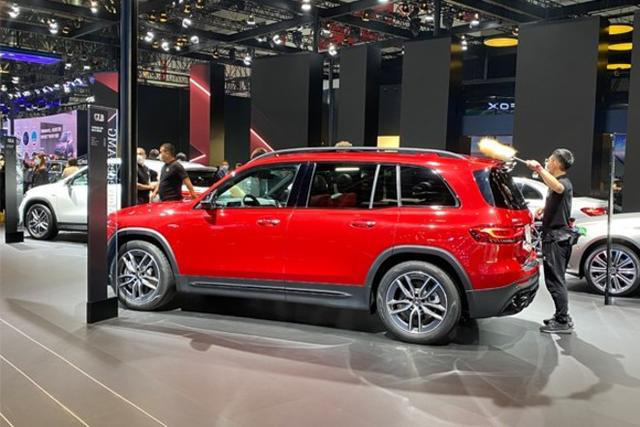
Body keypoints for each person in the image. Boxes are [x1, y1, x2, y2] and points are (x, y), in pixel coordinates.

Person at [526, 148, 575, 334]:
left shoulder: (563, 183)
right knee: (556, 279)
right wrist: (545, 209)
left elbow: (558, 188)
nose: (547, 162)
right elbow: (556, 193)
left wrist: (538, 168)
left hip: (556, 239)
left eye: (550, 159)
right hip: (555, 237)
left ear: (556, 163)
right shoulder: (559, 182)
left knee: (555, 281)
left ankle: (562, 321)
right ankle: (562, 316)